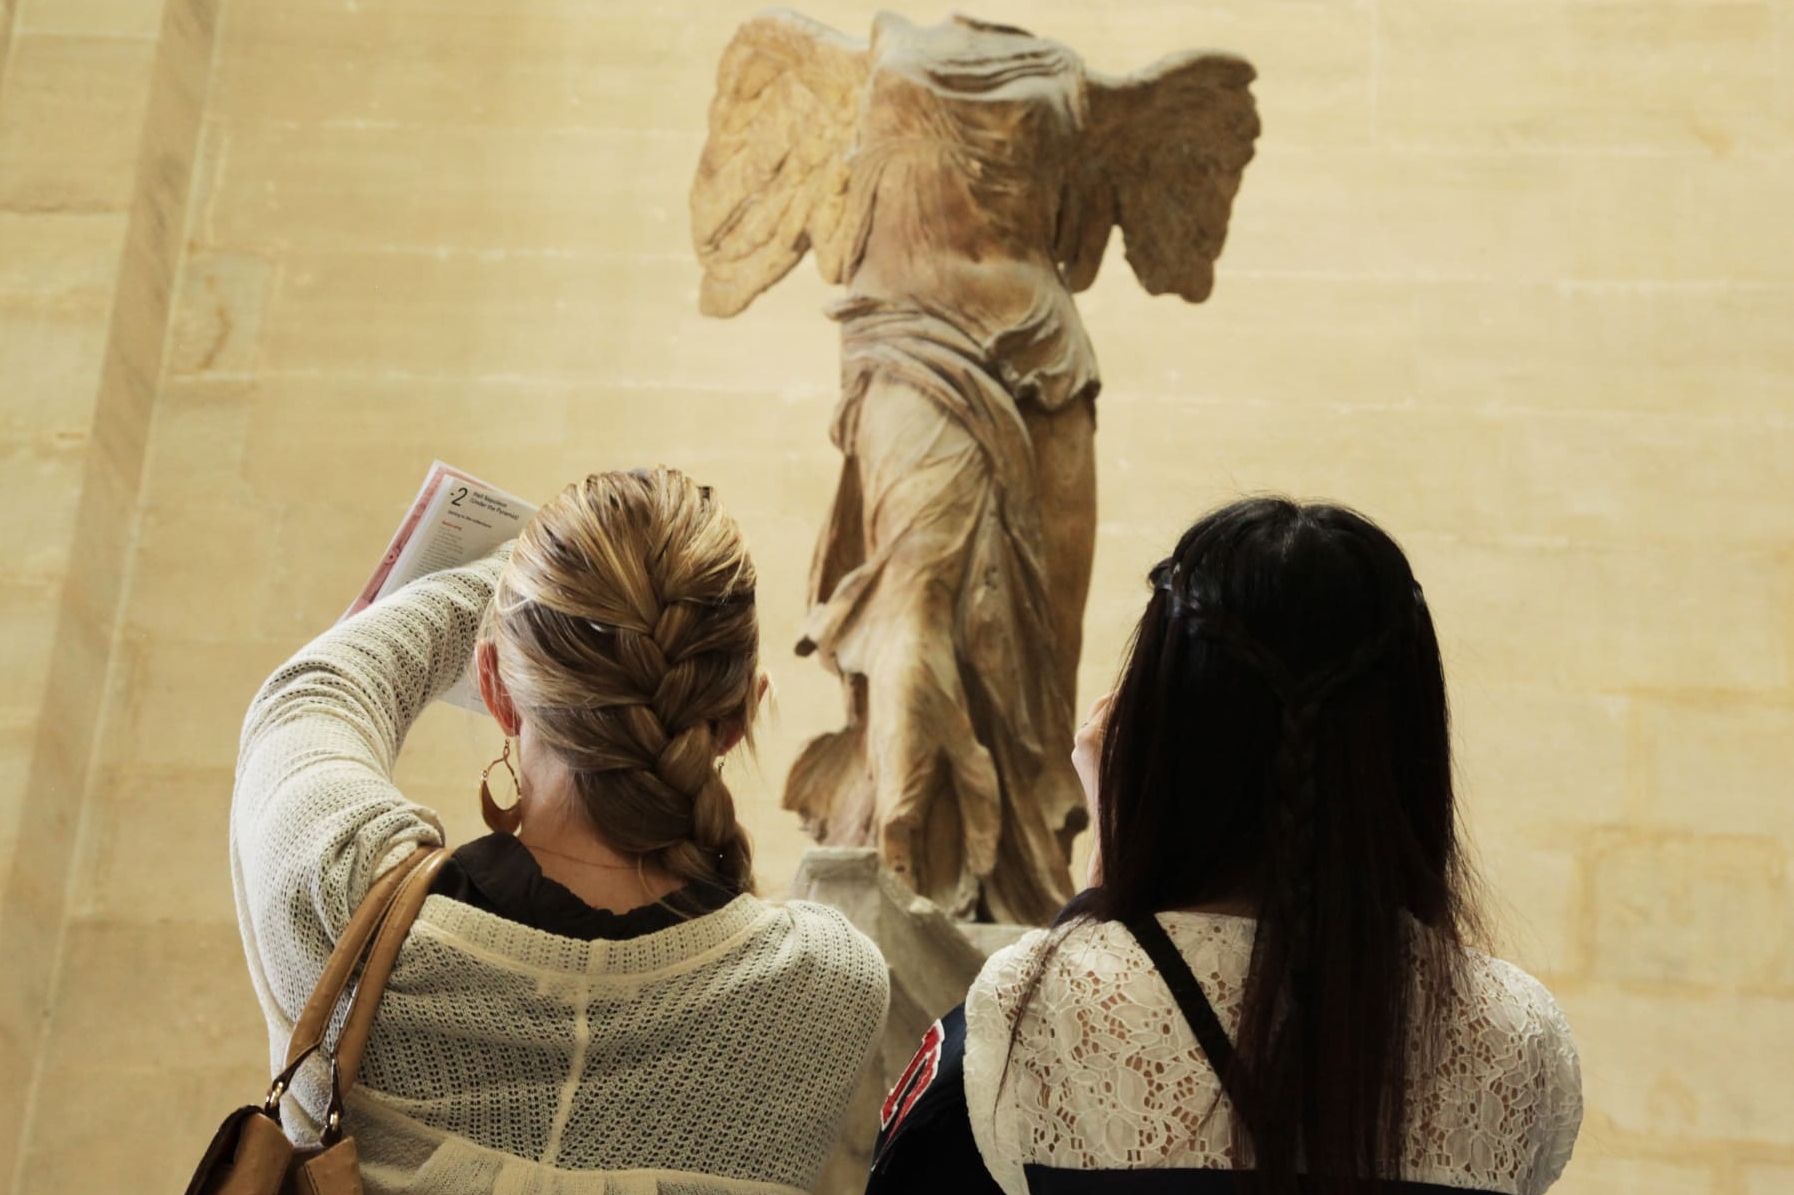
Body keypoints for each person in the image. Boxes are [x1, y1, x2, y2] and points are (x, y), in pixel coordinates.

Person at [867, 497, 1582, 1195]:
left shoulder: (1037, 1010)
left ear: (1157, 732)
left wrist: (1113, 865)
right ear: (1412, 741)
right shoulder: (1519, 1039)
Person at [231, 467, 889, 1195]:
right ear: (739, 718)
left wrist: (506, 575)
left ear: (494, 685)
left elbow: (315, 691)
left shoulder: (336, 901)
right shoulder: (827, 992)